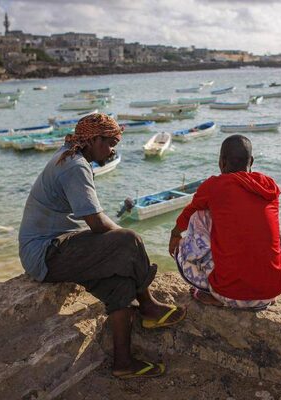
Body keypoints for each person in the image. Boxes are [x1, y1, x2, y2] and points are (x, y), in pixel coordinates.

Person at [19, 113, 186, 379]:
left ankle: (123, 363)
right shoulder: (75, 165)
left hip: (54, 246)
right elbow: (96, 222)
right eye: (109, 144)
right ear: (94, 139)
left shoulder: (71, 156)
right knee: (129, 240)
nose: (110, 151)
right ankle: (148, 306)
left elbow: (93, 221)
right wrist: (130, 240)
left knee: (119, 283)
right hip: (46, 251)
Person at [168, 135, 281, 308]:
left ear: (222, 162)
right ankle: (259, 288)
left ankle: (214, 295)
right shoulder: (269, 186)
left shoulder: (214, 186)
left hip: (231, 295)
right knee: (263, 226)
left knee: (199, 215)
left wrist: (175, 234)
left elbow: (189, 212)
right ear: (251, 161)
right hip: (272, 291)